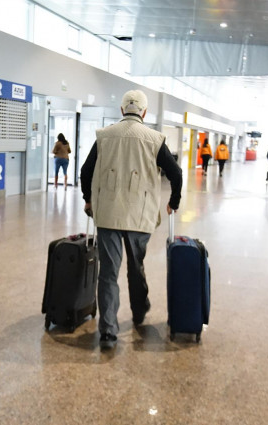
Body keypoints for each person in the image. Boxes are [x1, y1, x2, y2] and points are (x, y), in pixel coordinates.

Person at [80, 90, 182, 350]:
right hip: (140, 216)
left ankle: (108, 331)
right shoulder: (155, 139)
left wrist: (88, 199)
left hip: (109, 216)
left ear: (122, 110)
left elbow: (86, 170)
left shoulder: (104, 136)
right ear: (144, 113)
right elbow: (175, 173)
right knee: (135, 268)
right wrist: (174, 202)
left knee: (108, 274)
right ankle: (139, 311)